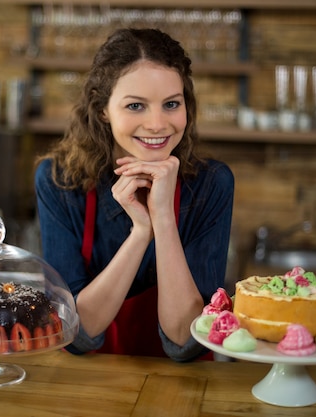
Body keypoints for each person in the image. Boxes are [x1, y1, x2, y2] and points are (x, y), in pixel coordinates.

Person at [34, 28, 234, 361]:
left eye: (171, 104)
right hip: (87, 389)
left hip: (185, 394)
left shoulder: (212, 184)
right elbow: (77, 335)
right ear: (103, 110)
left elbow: (186, 340)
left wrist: (163, 219)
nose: (157, 124)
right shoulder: (59, 181)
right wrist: (141, 232)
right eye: (136, 106)